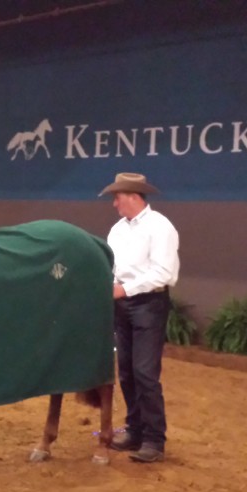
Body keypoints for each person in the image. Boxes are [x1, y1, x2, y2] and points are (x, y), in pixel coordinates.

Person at [99, 172, 180, 463]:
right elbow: (113, 267)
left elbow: (163, 272)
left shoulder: (161, 228)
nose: (114, 204)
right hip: (123, 304)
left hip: (149, 303)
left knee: (145, 372)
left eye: (117, 198)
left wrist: (124, 290)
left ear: (133, 197)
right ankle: (135, 430)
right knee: (127, 371)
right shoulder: (117, 230)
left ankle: (154, 440)